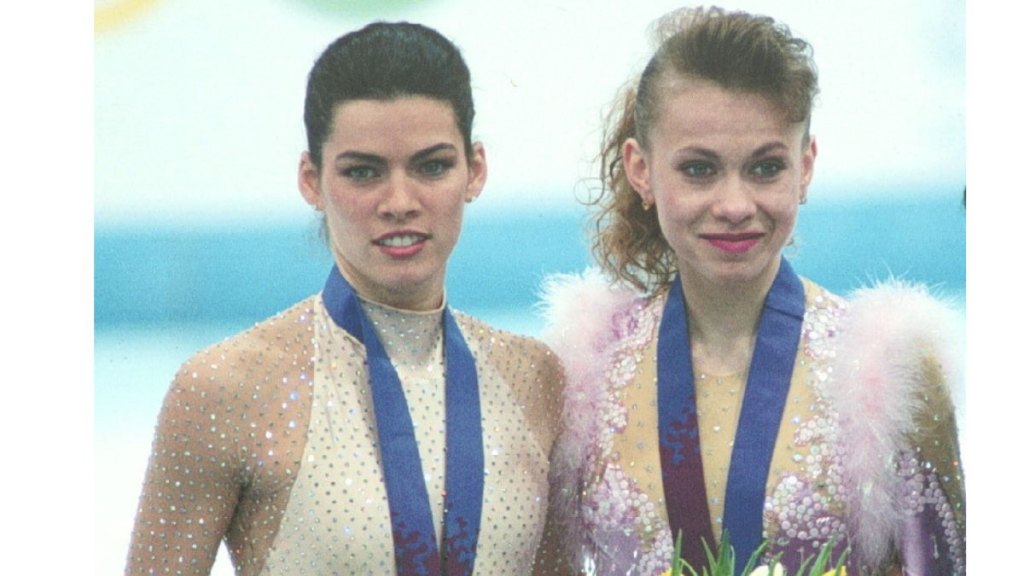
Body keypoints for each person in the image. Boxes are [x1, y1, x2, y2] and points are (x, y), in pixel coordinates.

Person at [125, 22, 564, 575]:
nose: (400, 201)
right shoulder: (226, 389)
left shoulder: (534, 378)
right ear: (311, 180)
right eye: (363, 172)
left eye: (432, 166)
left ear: (474, 170)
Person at [540, 7, 964, 576]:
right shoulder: (579, 375)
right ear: (641, 170)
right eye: (698, 170)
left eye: (765, 168)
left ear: (805, 167)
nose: (736, 205)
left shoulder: (892, 373)